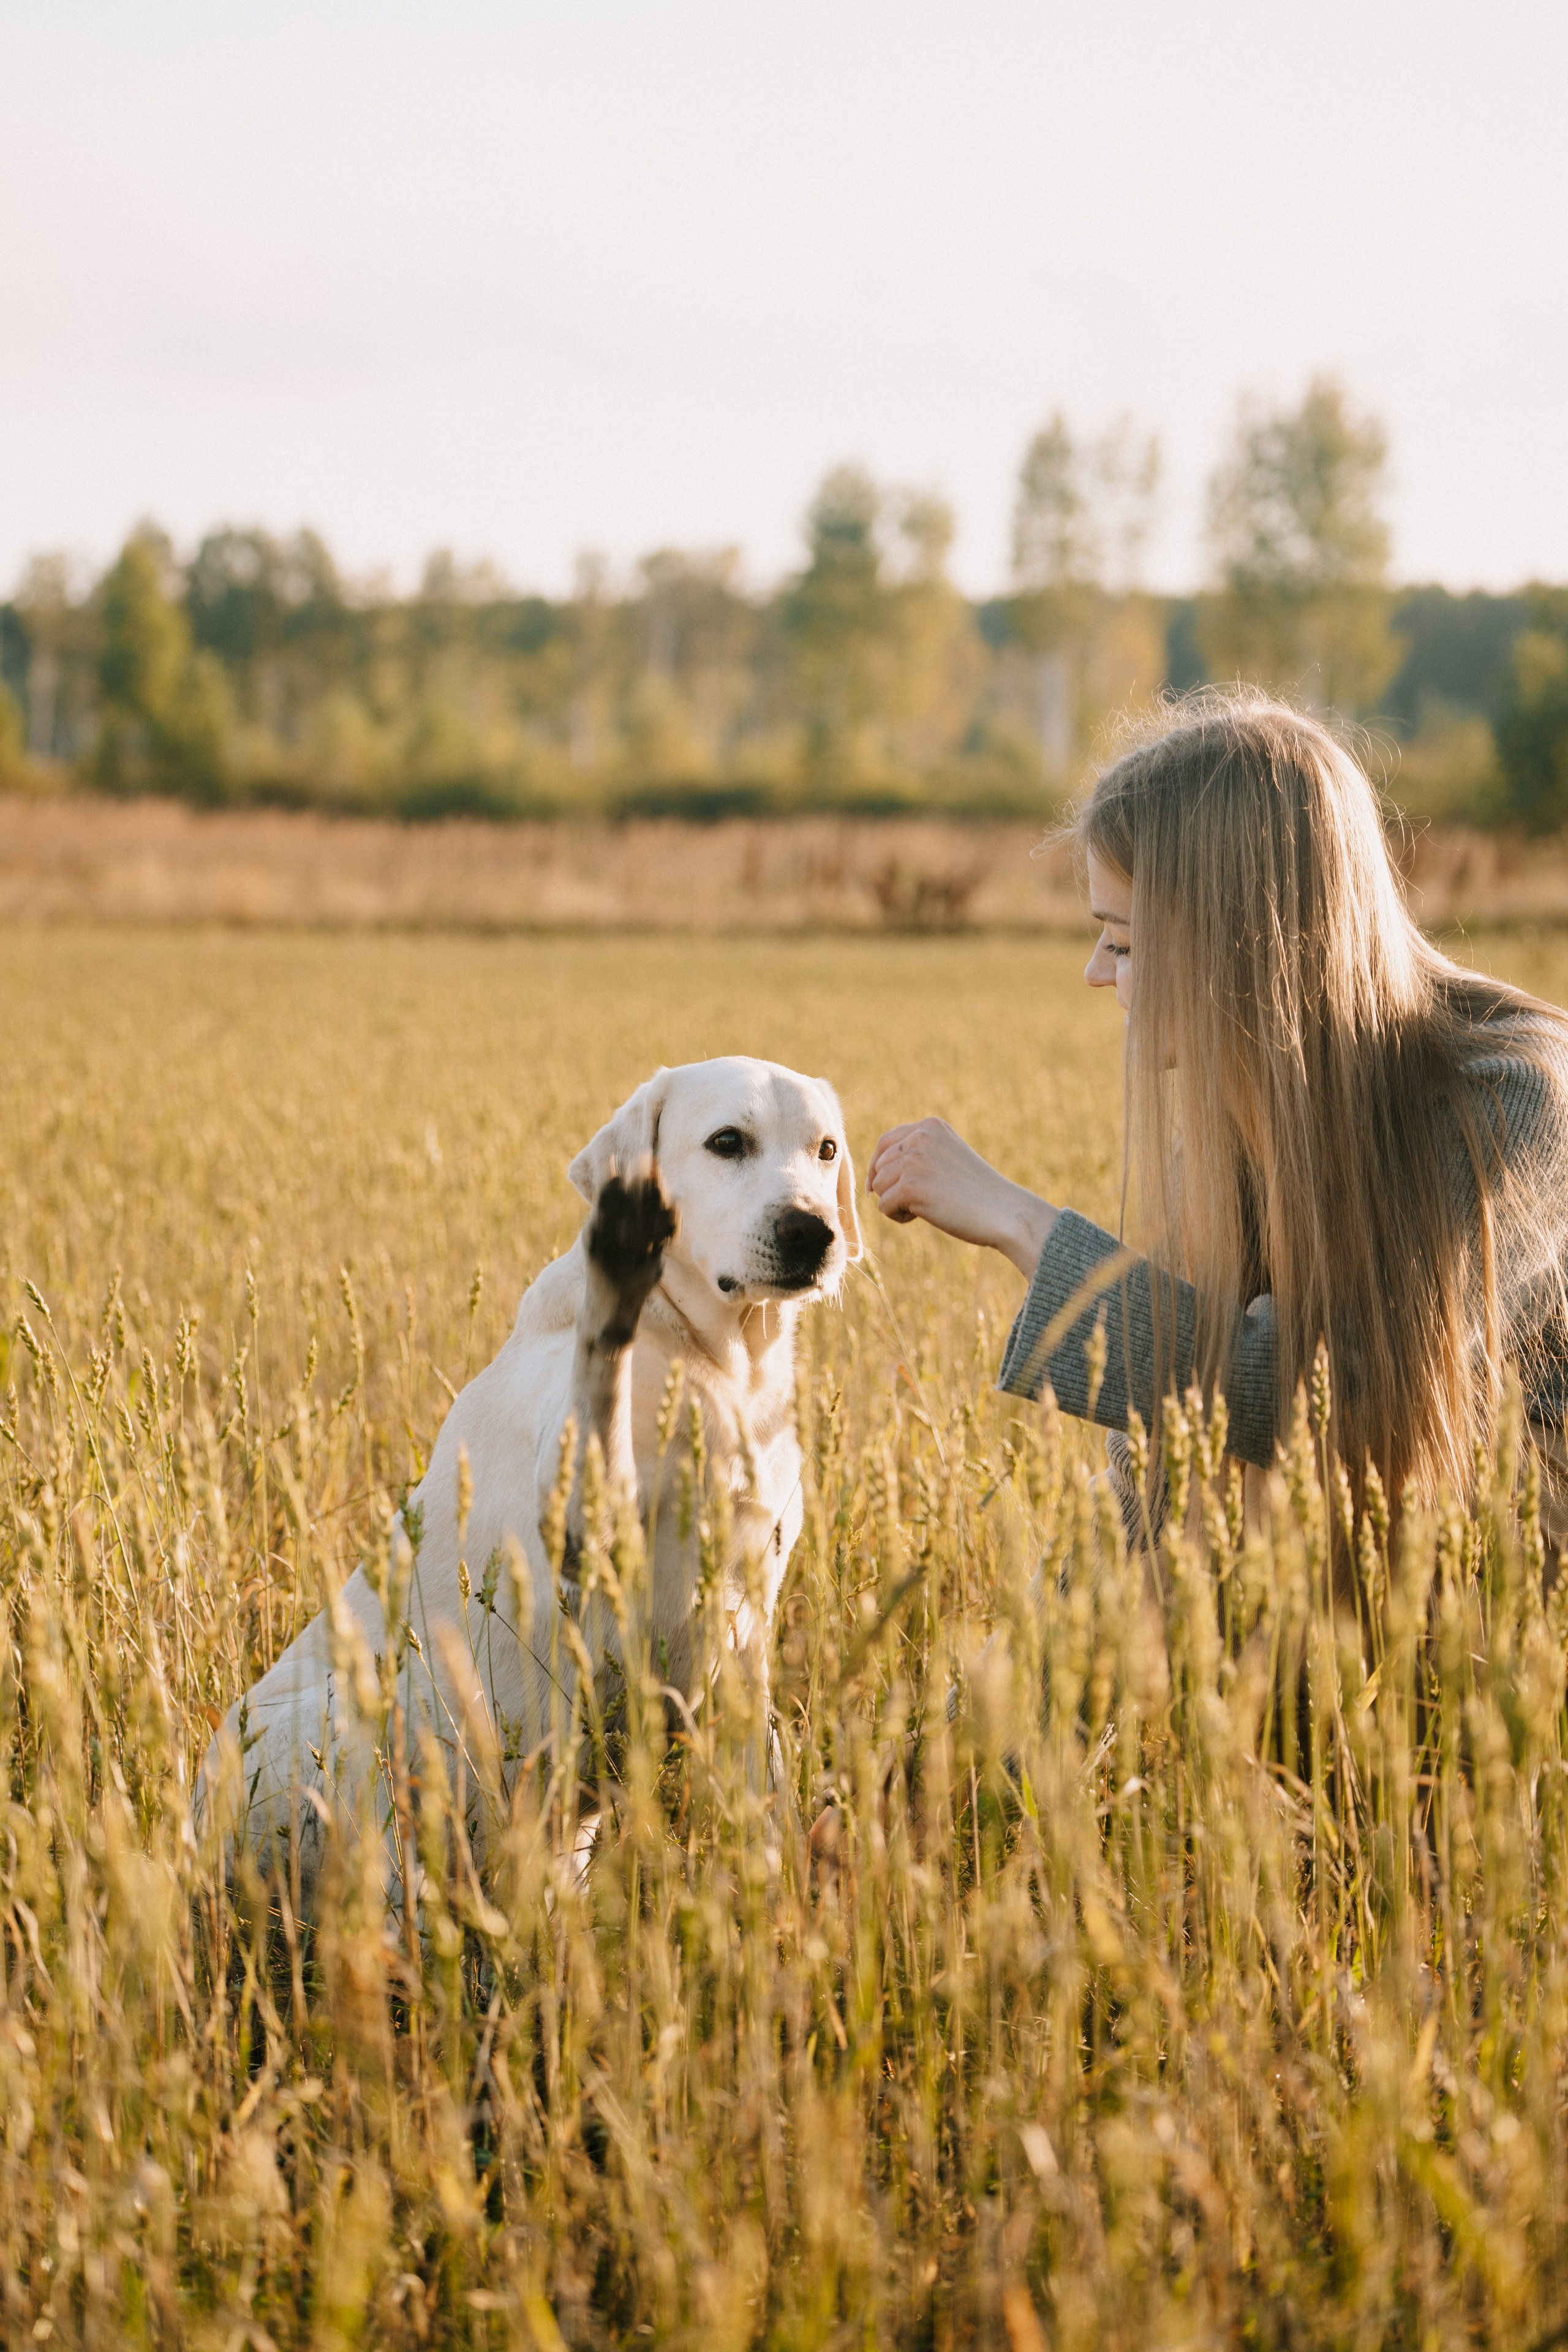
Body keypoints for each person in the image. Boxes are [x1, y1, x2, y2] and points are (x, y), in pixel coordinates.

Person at [867, 691, 1568, 1540]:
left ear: (1237, 945)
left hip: (1499, 1602)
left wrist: (1021, 1222)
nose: (1097, 973)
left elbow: (1334, 1396)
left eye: (1122, 942)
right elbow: (1174, 1453)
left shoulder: (1514, 1098)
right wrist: (1048, 1656)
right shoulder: (1243, 1113)